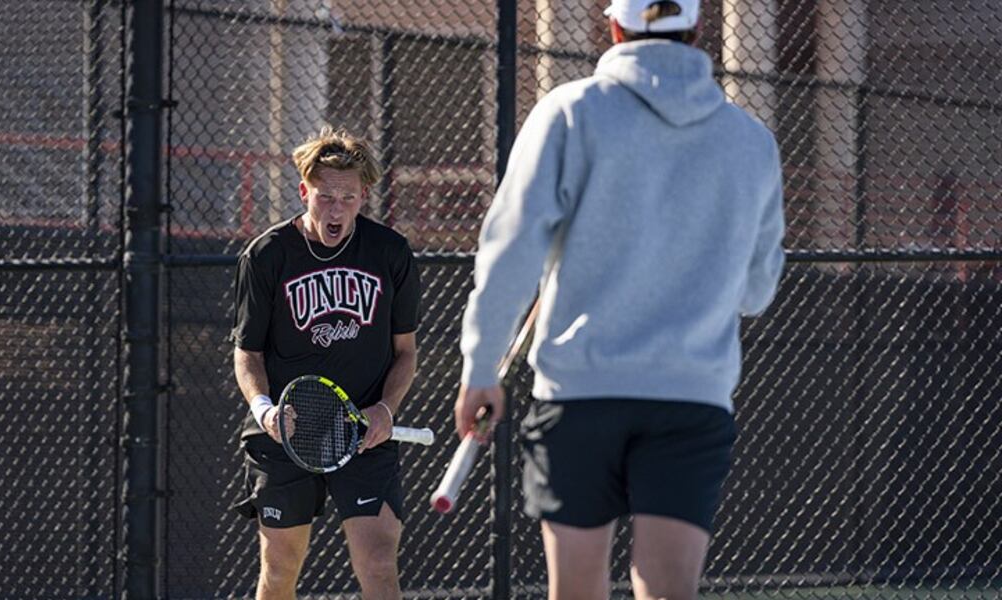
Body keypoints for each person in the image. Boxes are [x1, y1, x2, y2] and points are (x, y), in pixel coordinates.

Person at [456, 1, 785, 598]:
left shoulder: (568, 113)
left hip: (581, 396)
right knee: (667, 590)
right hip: (691, 397)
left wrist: (480, 369)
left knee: (576, 590)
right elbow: (757, 292)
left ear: (614, 26)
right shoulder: (752, 142)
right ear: (698, 28)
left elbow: (509, 254)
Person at [231, 127, 422, 600]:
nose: (336, 209)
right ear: (303, 192)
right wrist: (266, 410)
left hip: (364, 434)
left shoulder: (390, 252)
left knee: (378, 563)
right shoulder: (267, 255)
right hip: (287, 433)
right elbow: (247, 353)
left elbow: (406, 353)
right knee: (279, 569)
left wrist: (385, 410)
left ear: (363, 196)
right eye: (324, 197)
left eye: (347, 197)